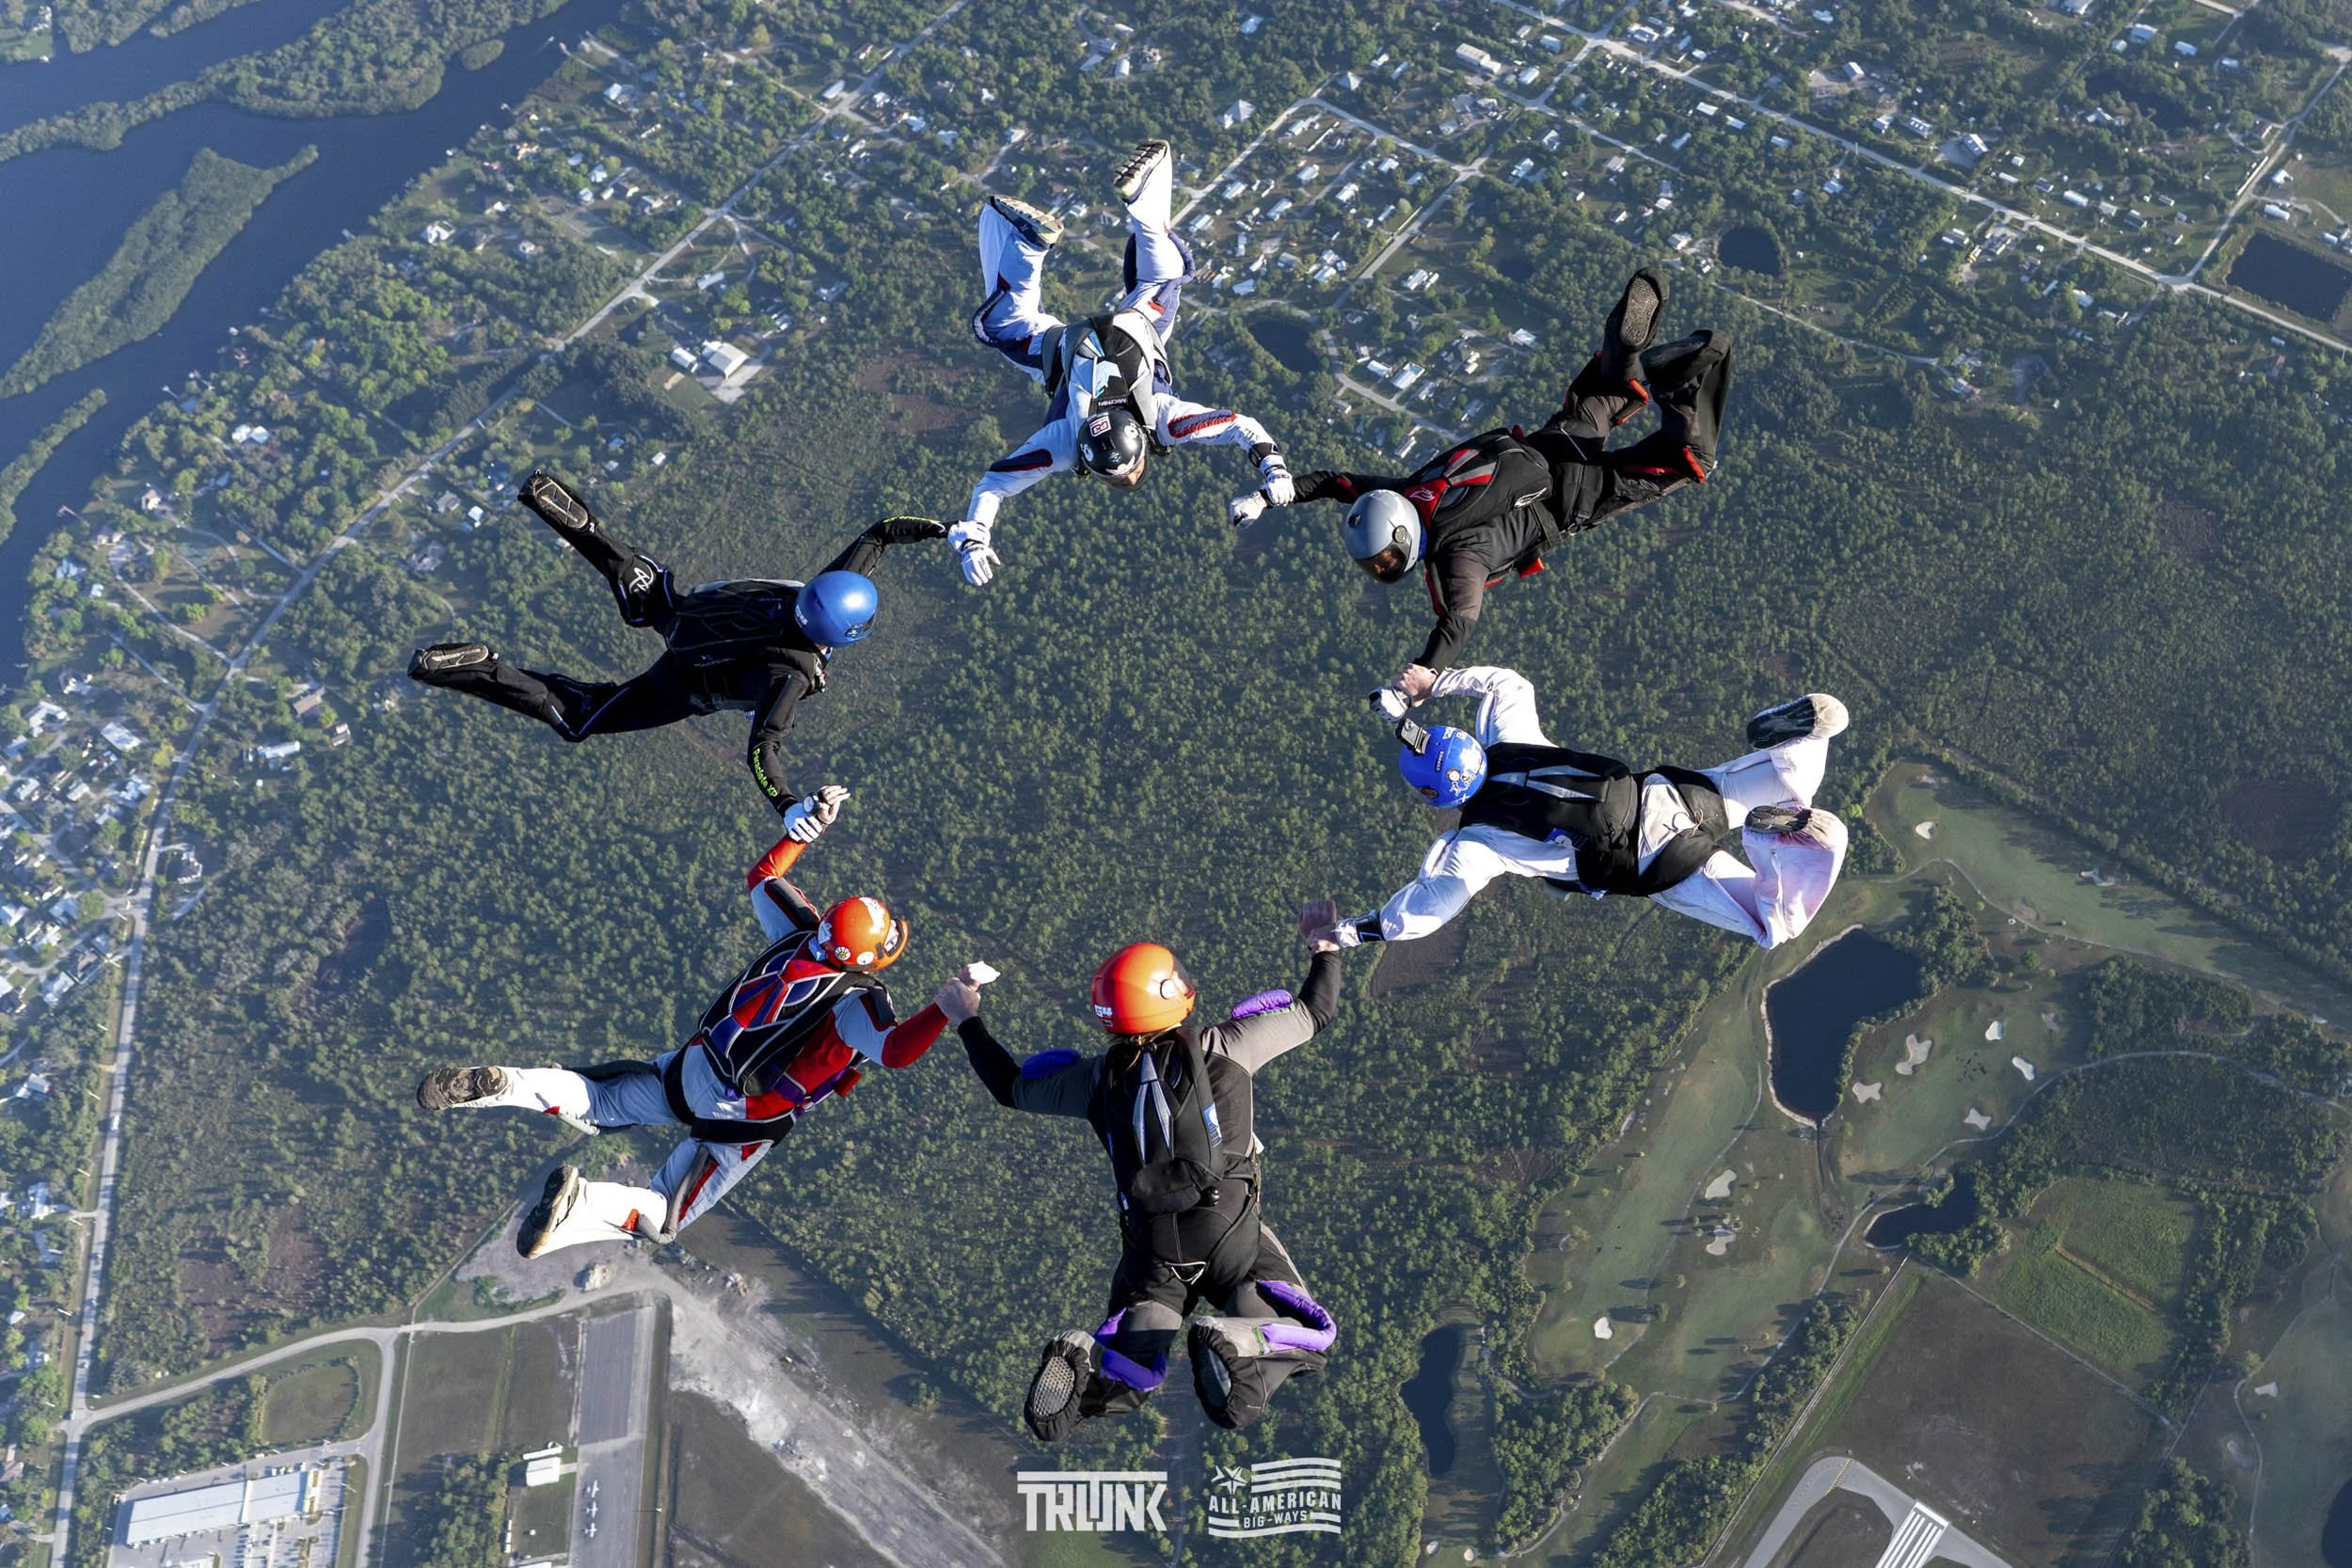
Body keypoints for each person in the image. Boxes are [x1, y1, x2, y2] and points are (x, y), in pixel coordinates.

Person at [416, 788, 950, 1256]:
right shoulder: (856, 1001)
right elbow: (898, 1051)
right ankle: (585, 1203)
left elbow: (763, 876)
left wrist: (807, 827)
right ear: (866, 961)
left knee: (601, 1102)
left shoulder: (798, 933)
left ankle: (510, 1084)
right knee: (665, 1217)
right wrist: (949, 1007)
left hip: (696, 1063)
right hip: (742, 1115)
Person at [1231, 270, 1732, 708]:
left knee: (1687, 460)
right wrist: (1278, 492)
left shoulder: (1455, 559)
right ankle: (1625, 348)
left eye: (1382, 559)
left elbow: (1458, 624)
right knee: (1601, 392)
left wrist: (1418, 679)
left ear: (1403, 540)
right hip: (1552, 443)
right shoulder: (1406, 491)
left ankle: (1679, 381)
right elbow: (1340, 483)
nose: (1380, 568)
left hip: (1575, 497)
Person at [934, 911, 1347, 1437]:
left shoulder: (1094, 1079)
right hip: (1228, 1232)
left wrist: (967, 1018)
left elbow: (1010, 1087)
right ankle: (1239, 1342)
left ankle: (1082, 1366)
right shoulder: (1229, 1045)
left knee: (1132, 1373)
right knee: (1301, 1331)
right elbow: (1316, 1011)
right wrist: (1323, 949)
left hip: (1153, 1250)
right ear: (1172, 992)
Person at [408, 472, 945, 832]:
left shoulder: (825, 587)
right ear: (849, 631)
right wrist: (786, 806)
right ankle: (480, 668)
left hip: (694, 617)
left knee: (648, 596)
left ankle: (571, 518)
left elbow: (882, 533)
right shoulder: (793, 675)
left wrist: (949, 530)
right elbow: (761, 750)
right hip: (682, 682)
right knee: (580, 719)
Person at [953, 137, 1291, 586]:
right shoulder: (1069, 443)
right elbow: (994, 483)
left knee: (1164, 275)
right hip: (1068, 345)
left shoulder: (1163, 423)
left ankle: (1130, 202)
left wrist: (1273, 466)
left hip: (1133, 325)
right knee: (1009, 329)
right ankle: (1026, 245)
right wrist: (975, 535)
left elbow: (1237, 426)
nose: (1130, 478)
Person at [1326, 667, 1849, 951]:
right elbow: (1507, 684)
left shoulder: (1476, 843)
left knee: (1775, 926)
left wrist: (1357, 930)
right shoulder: (1507, 737)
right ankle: (1801, 740)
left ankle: (1770, 840)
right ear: (1467, 740)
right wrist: (1432, 684)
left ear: (1434, 798)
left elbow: (1431, 905)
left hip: (1659, 861)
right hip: (1671, 793)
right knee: (1789, 780)